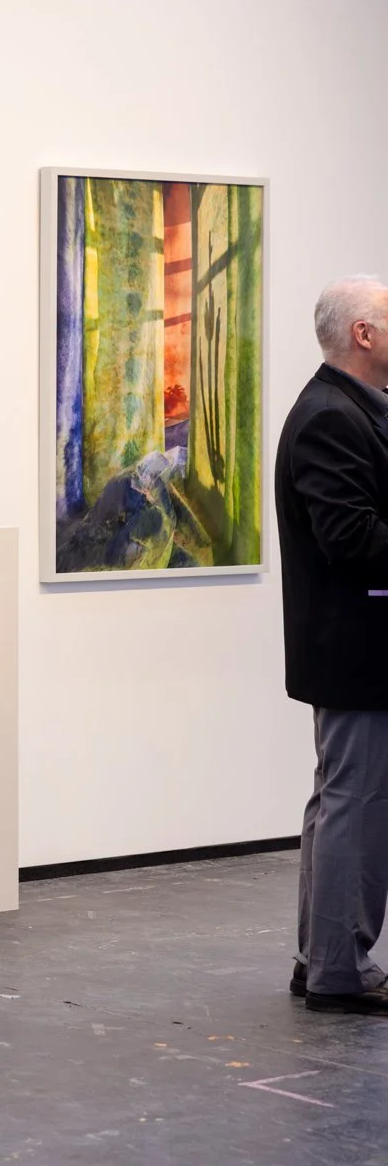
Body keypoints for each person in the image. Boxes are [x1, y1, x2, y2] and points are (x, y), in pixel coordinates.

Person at [275, 273, 388, 1016]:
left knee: (344, 800)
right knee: (355, 803)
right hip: (356, 648)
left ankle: (323, 958)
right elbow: (350, 540)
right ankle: (336, 972)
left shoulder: (351, 410)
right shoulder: (329, 416)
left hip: (357, 645)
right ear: (363, 334)